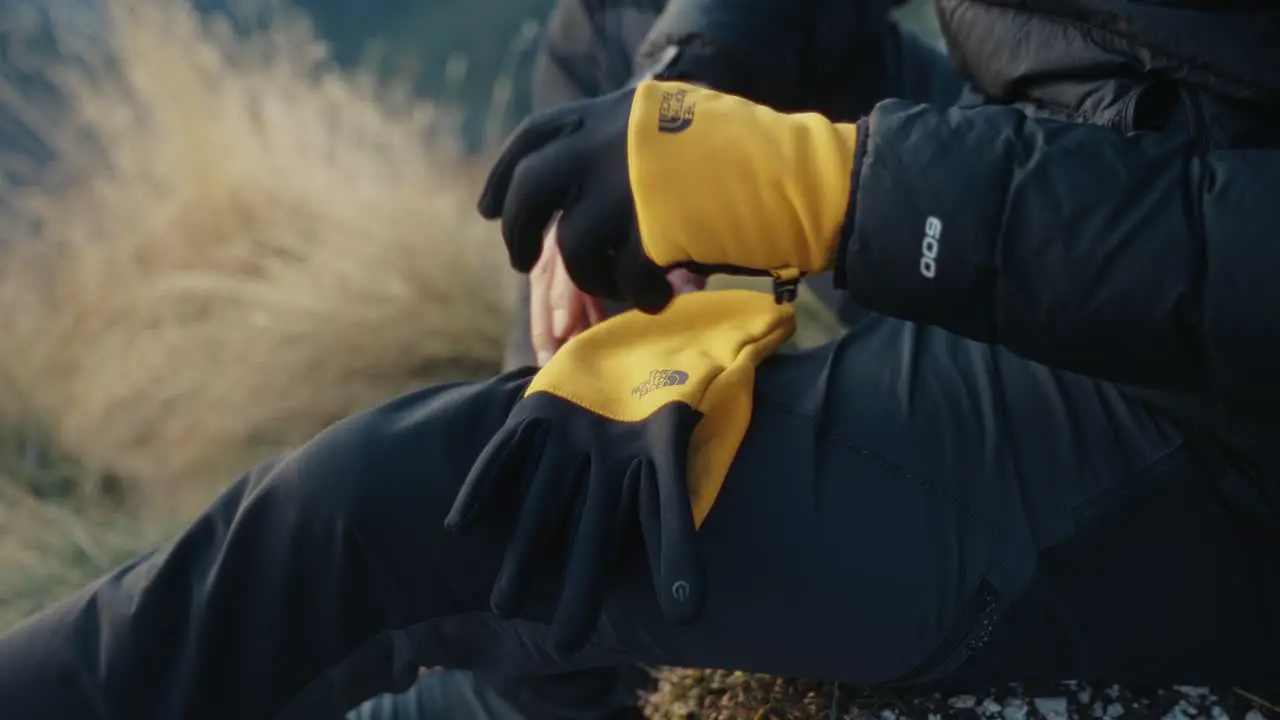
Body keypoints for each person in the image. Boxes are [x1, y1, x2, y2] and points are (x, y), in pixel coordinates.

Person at [4, 2, 1280, 720]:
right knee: (620, 33)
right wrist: (690, 96)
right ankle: (559, 604)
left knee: (386, 508)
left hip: (1207, 432)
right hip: (1057, 184)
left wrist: (833, 195)